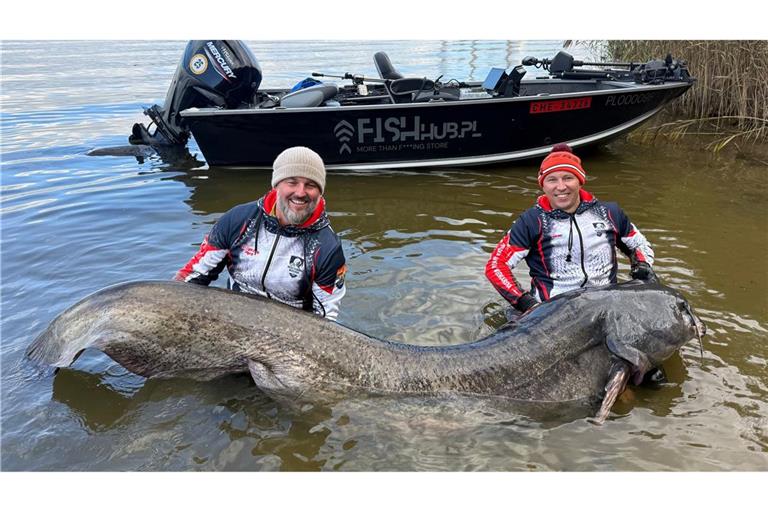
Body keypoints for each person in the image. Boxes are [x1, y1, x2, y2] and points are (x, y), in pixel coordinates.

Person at [175, 146, 347, 321]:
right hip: (234, 318)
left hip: (290, 330)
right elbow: (192, 278)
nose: (301, 192)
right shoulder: (238, 220)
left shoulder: (328, 248)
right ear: (276, 185)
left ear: (319, 192)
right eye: (292, 182)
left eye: (310, 185)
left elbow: (326, 320)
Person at [485, 143, 656, 314]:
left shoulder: (609, 213)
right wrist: (526, 303)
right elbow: (496, 266)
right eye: (552, 180)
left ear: (580, 181)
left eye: (568, 178)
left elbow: (639, 245)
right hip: (551, 313)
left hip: (604, 308)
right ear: (543, 185)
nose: (561, 187)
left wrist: (641, 265)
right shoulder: (531, 221)